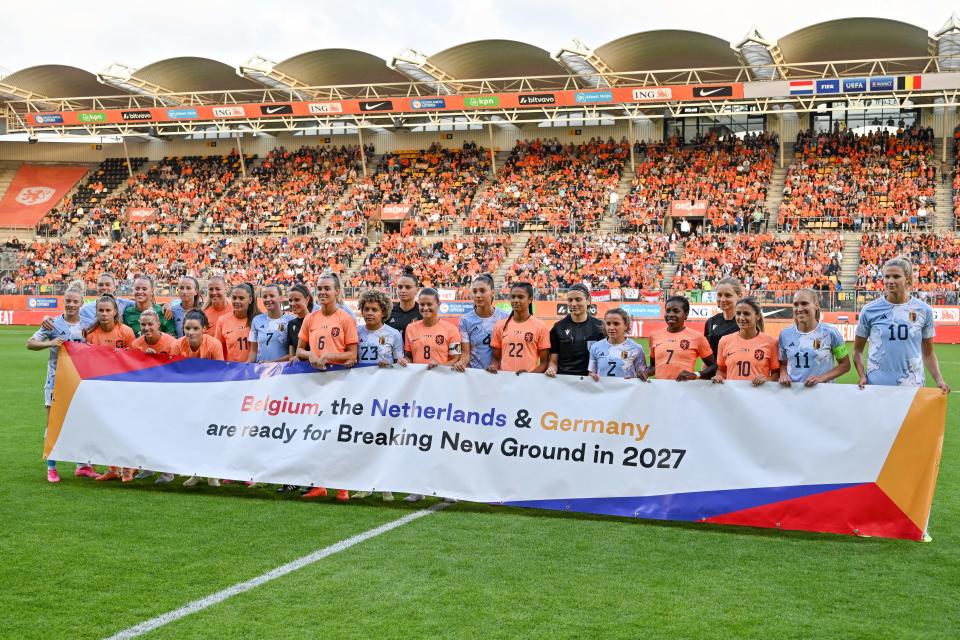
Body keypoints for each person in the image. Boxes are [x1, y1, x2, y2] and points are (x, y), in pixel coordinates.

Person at [296, 274, 358, 502]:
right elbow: (299, 352)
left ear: (337, 292)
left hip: (340, 383)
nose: (322, 292)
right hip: (314, 383)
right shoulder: (310, 319)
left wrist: (330, 356)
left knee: (339, 435)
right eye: (319, 289)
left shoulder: (345, 319)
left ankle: (342, 486)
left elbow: (353, 354)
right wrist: (310, 354)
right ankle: (318, 483)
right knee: (315, 433)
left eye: (327, 289)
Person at [27, 282, 96, 483]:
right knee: (53, 423)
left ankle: (83, 465)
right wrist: (50, 343)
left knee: (84, 422)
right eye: (68, 301)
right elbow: (30, 343)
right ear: (63, 302)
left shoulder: (88, 323)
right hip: (55, 382)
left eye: (75, 301)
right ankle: (51, 466)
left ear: (82, 303)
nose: (71, 305)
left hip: (80, 383)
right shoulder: (53, 323)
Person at [853, 258, 950, 393]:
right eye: (887, 276)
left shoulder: (924, 310)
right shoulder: (869, 310)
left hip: (912, 385)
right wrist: (862, 375)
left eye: (896, 276)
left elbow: (928, 354)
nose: (890, 281)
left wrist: (939, 380)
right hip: (877, 386)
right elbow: (857, 351)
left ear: (908, 279)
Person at [352, 289, 405, 501]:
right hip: (361, 394)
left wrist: (391, 364)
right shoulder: (356, 333)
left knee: (383, 438)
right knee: (362, 438)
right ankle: (364, 483)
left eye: (375, 309)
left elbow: (401, 363)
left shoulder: (393, 334)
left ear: (383, 312)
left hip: (384, 395)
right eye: (367, 309)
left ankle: (386, 485)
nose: (370, 313)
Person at [84, 295, 137, 482]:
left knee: (125, 428)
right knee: (106, 429)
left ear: (115, 312)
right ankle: (113, 468)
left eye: (108, 310)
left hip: (123, 387)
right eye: (101, 310)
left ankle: (129, 468)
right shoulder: (91, 334)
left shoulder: (126, 332)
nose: (104, 314)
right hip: (102, 388)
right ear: (96, 312)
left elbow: (135, 360)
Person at [175, 310, 224, 489]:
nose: (191, 332)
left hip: (211, 397)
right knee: (192, 436)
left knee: (211, 436)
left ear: (204, 329)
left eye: (195, 328)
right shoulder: (177, 345)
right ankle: (195, 473)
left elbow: (220, 372)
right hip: (188, 398)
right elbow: (175, 373)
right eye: (187, 328)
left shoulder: (214, 344)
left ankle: (213, 474)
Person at [778, 289, 851, 387]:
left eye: (804, 304)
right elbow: (783, 364)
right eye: (795, 304)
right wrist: (783, 374)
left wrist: (821, 378)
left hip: (822, 395)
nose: (799, 309)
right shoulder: (785, 334)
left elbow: (845, 365)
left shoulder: (830, 332)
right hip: (793, 394)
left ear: (816, 305)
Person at [712, 297, 779, 386]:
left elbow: (776, 373)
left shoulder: (771, 343)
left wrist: (767, 379)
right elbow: (721, 369)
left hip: (759, 397)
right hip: (733, 396)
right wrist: (719, 376)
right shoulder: (724, 341)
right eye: (738, 313)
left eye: (746, 314)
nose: (741, 318)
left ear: (758, 316)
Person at [648, 296, 715, 381]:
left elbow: (714, 366)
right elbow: (653, 366)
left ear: (686, 315)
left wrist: (696, 374)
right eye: (668, 311)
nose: (671, 314)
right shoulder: (654, 336)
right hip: (660, 390)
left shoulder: (697, 337)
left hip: (685, 390)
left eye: (676, 311)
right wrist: (645, 373)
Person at [489, 282, 550, 374]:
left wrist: (528, 377)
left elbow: (544, 363)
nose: (516, 300)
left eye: (520, 297)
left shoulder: (541, 327)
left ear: (530, 299)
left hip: (528, 384)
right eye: (513, 297)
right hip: (505, 382)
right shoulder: (499, 326)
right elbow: (496, 359)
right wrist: (493, 367)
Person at [546, 284, 605, 378]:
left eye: (578, 299)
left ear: (588, 300)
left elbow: (604, 359)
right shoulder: (558, 328)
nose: (573, 304)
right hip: (564, 382)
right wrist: (551, 369)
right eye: (570, 300)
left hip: (590, 383)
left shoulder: (600, 327)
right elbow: (553, 362)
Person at [453, 274, 509, 372]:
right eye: (475, 291)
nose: (478, 295)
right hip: (475, 375)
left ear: (493, 292)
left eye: (482, 291)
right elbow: (466, 353)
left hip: (500, 375)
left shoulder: (505, 318)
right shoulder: (465, 320)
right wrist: (461, 363)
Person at [404, 288, 461, 368]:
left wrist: (439, 367)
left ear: (438, 304)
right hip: (418, 378)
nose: (425, 308)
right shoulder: (410, 328)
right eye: (422, 304)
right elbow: (408, 356)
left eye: (429, 304)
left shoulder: (452, 329)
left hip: (442, 377)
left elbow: (456, 359)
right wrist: (404, 360)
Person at [588, 308, 647, 381]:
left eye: (616, 324)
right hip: (603, 391)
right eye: (608, 323)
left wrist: (641, 374)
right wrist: (591, 375)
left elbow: (643, 374)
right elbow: (591, 373)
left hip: (627, 392)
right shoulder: (595, 347)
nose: (611, 327)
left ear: (625, 326)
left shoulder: (636, 348)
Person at [702, 277, 742, 379]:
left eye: (728, 295)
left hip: (736, 379)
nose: (722, 299)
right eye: (719, 295)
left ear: (739, 296)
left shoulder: (745, 322)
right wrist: (704, 375)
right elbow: (707, 356)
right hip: (713, 378)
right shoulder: (711, 322)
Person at [249, 284, 295, 363]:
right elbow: (253, 351)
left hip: (283, 371)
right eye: (265, 296)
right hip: (262, 371)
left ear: (281, 298)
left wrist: (272, 363)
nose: (267, 299)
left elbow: (294, 354)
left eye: (272, 296)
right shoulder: (256, 320)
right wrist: (248, 367)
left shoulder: (292, 321)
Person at [215, 283, 257, 363]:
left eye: (241, 298)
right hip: (232, 371)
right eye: (234, 298)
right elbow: (217, 348)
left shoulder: (257, 320)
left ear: (250, 300)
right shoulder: (222, 320)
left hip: (254, 370)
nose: (237, 301)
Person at [385, 267, 422, 346]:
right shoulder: (388, 312)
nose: (403, 290)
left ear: (417, 290)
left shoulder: (423, 313)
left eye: (408, 287)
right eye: (400, 287)